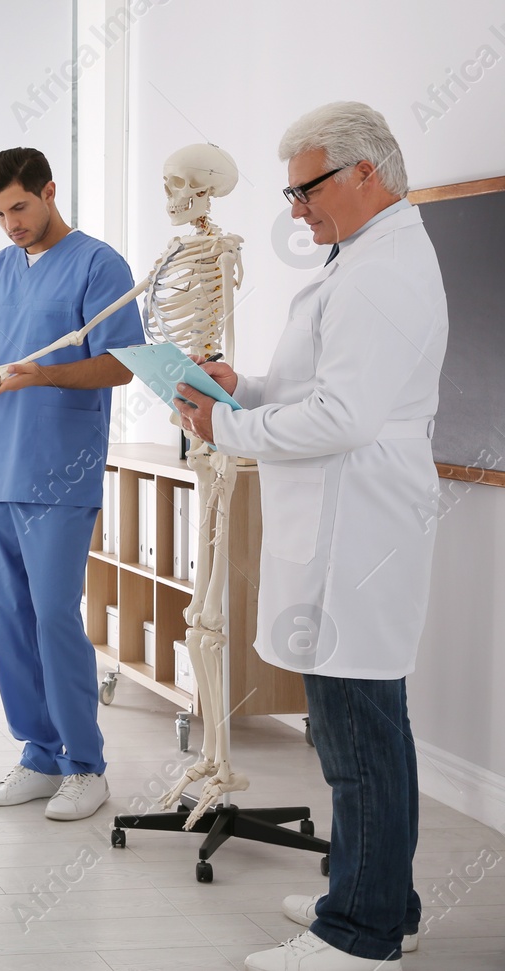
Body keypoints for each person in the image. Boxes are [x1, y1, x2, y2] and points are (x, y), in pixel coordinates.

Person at [174, 102, 446, 971]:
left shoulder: (381, 272)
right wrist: (243, 388)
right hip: (346, 521)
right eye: (290, 193)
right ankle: (379, 903)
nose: (295, 209)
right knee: (359, 727)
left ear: (367, 172)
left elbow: (343, 414)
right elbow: (314, 387)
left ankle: (358, 936)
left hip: (358, 530)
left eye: (307, 189)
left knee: (357, 734)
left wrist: (226, 431)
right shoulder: (362, 259)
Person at [0, 147, 144, 822]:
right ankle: (39, 752)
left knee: (53, 616)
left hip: (61, 470)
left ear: (49, 191)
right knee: (10, 625)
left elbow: (120, 365)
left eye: (19, 207)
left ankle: (85, 764)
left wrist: (44, 375)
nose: (10, 224)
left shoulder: (98, 264)